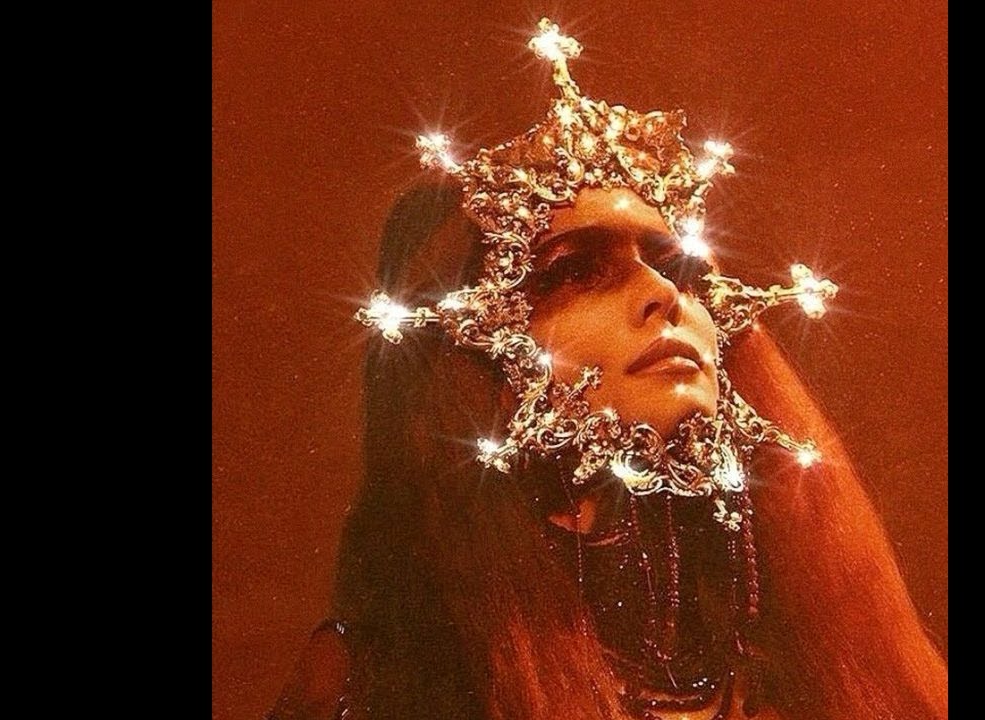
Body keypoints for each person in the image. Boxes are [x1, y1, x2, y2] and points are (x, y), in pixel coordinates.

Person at [267, 178, 948, 720]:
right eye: (575, 272)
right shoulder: (371, 680)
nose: (662, 293)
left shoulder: (802, 659)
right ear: (475, 357)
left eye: (680, 269)